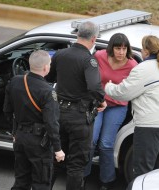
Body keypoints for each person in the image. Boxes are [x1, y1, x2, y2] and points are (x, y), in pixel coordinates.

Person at [105, 35, 159, 179]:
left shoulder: (143, 69)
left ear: (145, 50)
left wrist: (108, 86)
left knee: (142, 173)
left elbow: (123, 93)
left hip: (150, 127)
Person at [46, 21, 107, 190]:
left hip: (58, 114)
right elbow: (94, 87)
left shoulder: (60, 54)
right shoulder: (89, 61)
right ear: (94, 39)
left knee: (55, 158)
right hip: (79, 118)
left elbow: (49, 78)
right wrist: (102, 100)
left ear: (77, 34)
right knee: (76, 164)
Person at [3, 50, 65, 190]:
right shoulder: (47, 91)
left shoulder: (15, 81)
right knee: (41, 183)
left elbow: (7, 110)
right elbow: (51, 123)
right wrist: (58, 149)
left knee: (21, 182)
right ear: (45, 68)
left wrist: (14, 131)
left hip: (20, 137)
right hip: (39, 143)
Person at [84, 33, 137, 190]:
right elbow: (88, 74)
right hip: (99, 103)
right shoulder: (100, 56)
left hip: (118, 105)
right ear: (111, 48)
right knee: (91, 141)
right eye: (117, 48)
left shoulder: (132, 65)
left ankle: (107, 181)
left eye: (124, 48)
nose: (121, 52)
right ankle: (83, 176)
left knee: (106, 144)